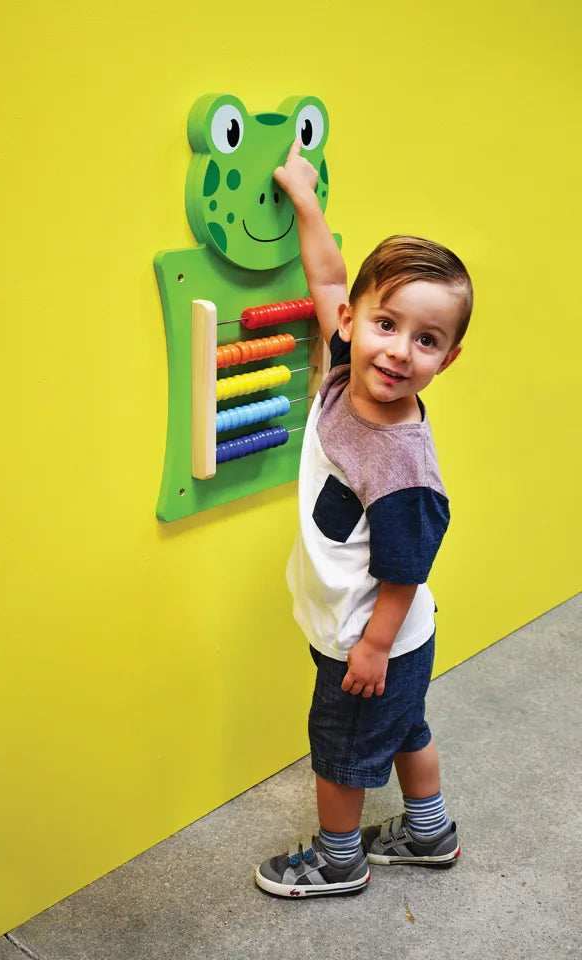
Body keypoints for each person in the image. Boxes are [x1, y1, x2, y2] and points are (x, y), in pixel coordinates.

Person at [255, 140, 473, 898]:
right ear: (354, 319)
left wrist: (373, 650)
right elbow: (325, 273)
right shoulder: (349, 358)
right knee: (407, 728)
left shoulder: (401, 463)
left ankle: (339, 858)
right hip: (391, 638)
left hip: (371, 637)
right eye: (388, 324)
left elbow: (407, 566)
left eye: (427, 340)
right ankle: (428, 833)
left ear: (445, 360)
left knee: (341, 753)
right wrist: (303, 195)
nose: (400, 351)